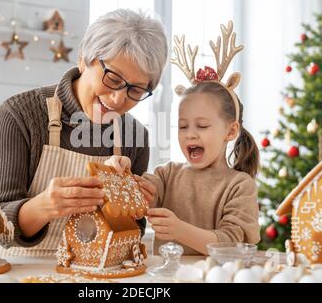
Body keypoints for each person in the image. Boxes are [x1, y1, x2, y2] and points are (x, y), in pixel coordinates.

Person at [0, 9, 168, 256]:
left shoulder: (135, 135)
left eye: (135, 90)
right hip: (24, 272)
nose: (118, 99)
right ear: (83, 59)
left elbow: (132, 232)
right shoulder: (18, 116)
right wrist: (45, 206)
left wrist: (134, 208)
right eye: (113, 78)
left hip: (97, 276)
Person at [105, 22, 260, 255]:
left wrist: (179, 230)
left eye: (203, 125)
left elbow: (232, 245)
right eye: (183, 126)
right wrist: (125, 175)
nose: (191, 134)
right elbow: (142, 195)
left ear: (230, 131)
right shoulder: (167, 175)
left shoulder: (239, 185)